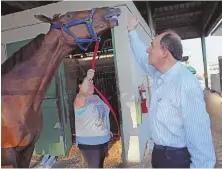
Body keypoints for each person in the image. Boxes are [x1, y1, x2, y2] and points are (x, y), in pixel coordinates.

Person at [127, 14, 216, 168]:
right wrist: (131, 32)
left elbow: (199, 136)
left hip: (176, 159)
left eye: (152, 45)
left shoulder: (186, 83)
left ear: (164, 52)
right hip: (160, 155)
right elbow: (142, 57)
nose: (148, 49)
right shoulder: (160, 74)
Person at [74, 69, 112, 168]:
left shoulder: (96, 97)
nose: (91, 84)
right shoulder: (80, 99)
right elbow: (82, 94)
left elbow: (103, 115)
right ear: (79, 86)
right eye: (88, 83)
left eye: (92, 83)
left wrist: (107, 130)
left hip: (103, 141)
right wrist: (88, 77)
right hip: (90, 144)